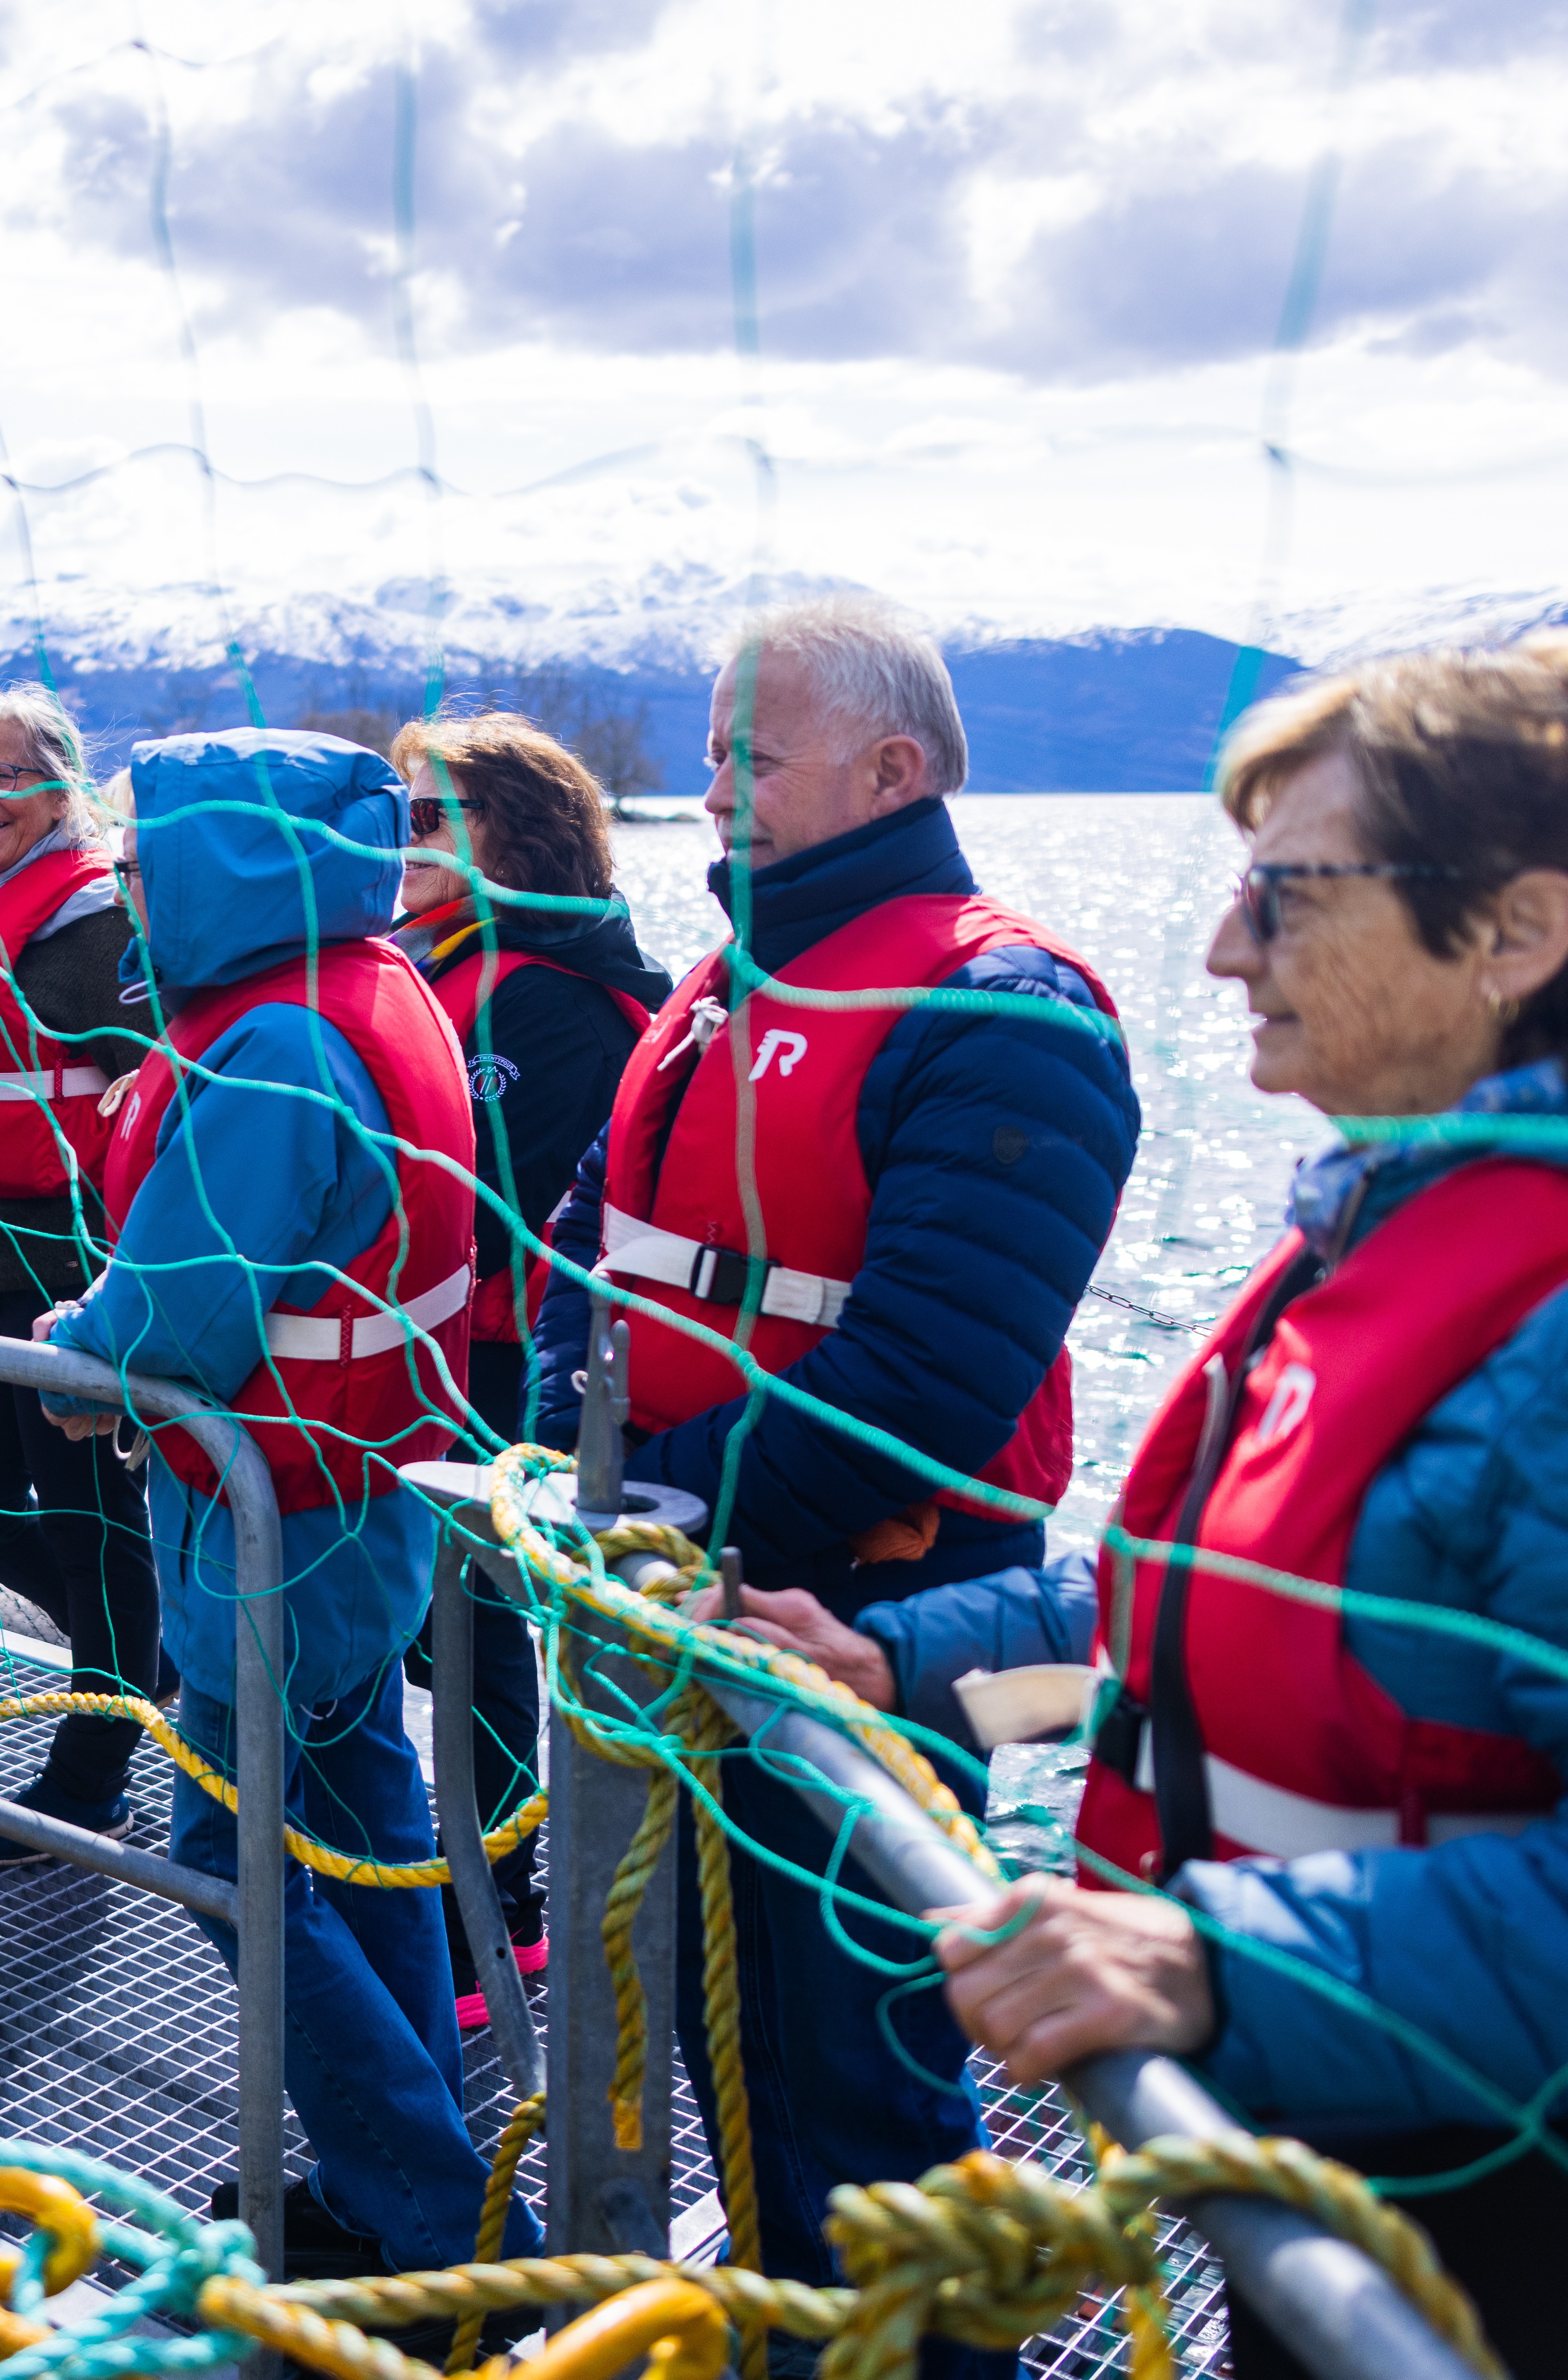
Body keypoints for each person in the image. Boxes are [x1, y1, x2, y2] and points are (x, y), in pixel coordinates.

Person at [698, 640, 1568, 2380]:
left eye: (1284, 894)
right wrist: (895, 1661)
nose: (1226, 948)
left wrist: (1218, 1962)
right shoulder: (1406, 1217)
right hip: (1355, 2167)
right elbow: (1210, 1622)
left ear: (1518, 930)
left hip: (1559, 2265)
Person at [524, 600, 1135, 2363]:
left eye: (751, 757)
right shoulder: (725, 977)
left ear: (890, 770)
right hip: (681, 1587)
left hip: (863, 1607)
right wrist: (579, 1444)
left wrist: (662, 1514)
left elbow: (932, 1372)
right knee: (730, 2038)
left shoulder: (1005, 1012)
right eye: (711, 754)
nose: (714, 790)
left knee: (853, 2061)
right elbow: (584, 1235)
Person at [37, 728, 514, 2280]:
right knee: (367, 1825)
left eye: (141, 856)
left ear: (216, 865)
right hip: (364, 1494)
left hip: (274, 1521)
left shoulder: (274, 1050)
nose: (123, 881)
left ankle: (422, 2206)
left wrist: (68, 1351)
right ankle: (401, 2194)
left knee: (225, 1852)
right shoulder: (378, 986)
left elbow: (173, 1322)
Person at [385, 709, 671, 2027]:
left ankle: (498, 1910)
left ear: (520, 833)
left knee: (480, 1632)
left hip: (497, 1364)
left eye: (430, 817)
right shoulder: (431, 965)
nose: (404, 841)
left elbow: (525, 1205)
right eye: (397, 815)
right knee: (437, 1630)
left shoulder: (556, 997)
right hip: (426, 1354)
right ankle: (463, 1874)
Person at [0, 684, 165, 1859]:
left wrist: (124, 1271)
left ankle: (93, 1772)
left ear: (62, 784)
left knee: (87, 1518)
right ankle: (134, 1658)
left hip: (69, 1272)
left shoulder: (97, 924)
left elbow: (158, 1090)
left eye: (4, 775)